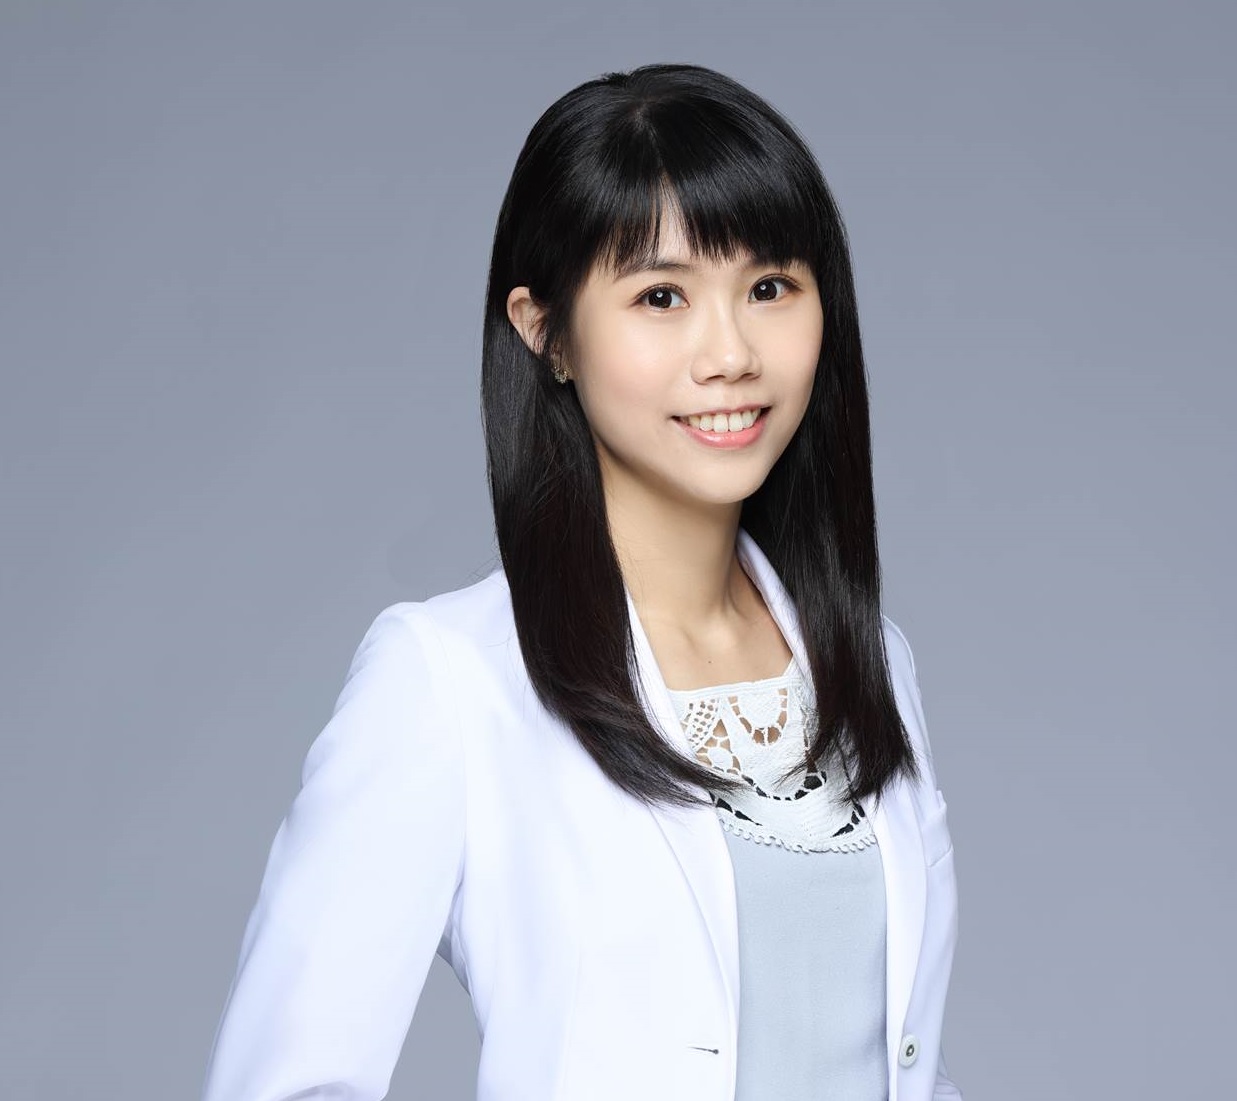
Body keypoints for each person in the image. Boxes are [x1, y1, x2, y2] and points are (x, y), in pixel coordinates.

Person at [200, 62, 962, 1101]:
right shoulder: (451, 681)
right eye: (661, 297)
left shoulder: (869, 661)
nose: (730, 353)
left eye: (769, 288)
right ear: (545, 331)